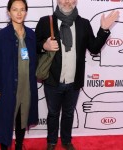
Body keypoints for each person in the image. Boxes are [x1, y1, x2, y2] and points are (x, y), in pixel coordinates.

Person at [35, 0, 119, 150]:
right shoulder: (45, 22)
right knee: (53, 114)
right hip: (52, 80)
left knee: (68, 114)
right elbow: (33, 45)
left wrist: (104, 30)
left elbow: (94, 48)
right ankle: (51, 142)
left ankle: (66, 141)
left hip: (74, 81)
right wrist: (43, 45)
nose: (67, 2)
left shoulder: (83, 24)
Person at [0, 0, 38, 150]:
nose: (19, 13)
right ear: (8, 12)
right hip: (8, 86)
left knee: (22, 118)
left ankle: (19, 145)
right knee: (6, 120)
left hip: (27, 85)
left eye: (22, 9)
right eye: (15, 9)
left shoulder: (31, 34)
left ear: (26, 12)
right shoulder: (1, 37)